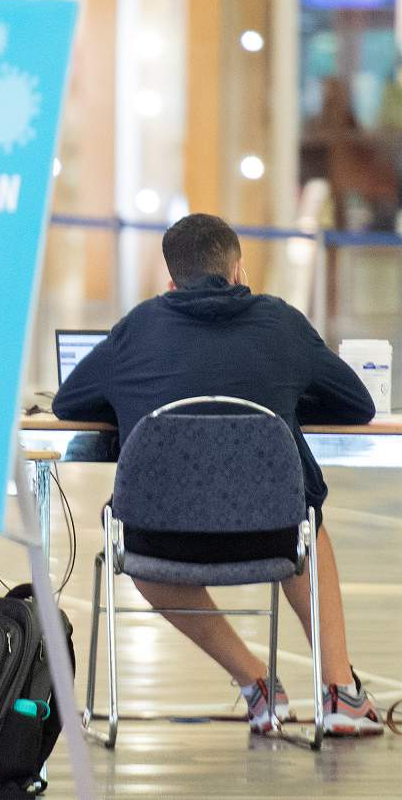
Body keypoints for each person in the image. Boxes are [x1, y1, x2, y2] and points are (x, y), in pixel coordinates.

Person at [52, 213, 384, 738]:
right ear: (239, 271)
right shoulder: (282, 324)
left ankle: (255, 682)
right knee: (308, 528)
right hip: (273, 536)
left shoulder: (138, 328)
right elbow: (358, 405)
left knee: (137, 551)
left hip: (160, 542)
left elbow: (68, 403)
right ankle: (341, 692)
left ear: (171, 281)